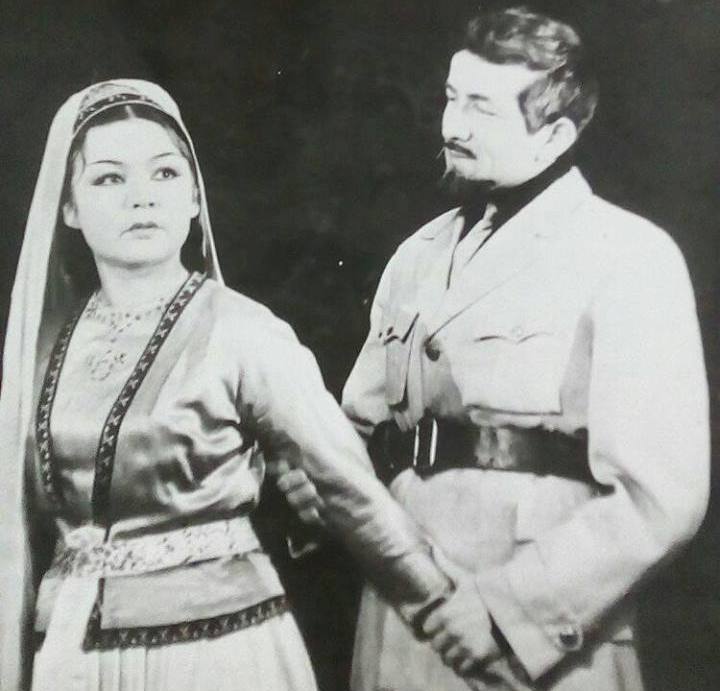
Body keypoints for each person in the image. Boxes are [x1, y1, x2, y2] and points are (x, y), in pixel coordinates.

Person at [279, 6, 710, 690]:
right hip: (402, 615)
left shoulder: (628, 255)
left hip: (537, 639)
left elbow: (660, 496)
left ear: (557, 134)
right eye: (453, 98)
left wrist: (509, 613)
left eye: (481, 108)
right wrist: (311, 492)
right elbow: (355, 432)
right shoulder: (417, 256)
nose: (452, 126)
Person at [0, 79, 463, 691]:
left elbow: (350, 491)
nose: (142, 197)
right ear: (68, 209)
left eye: (165, 173)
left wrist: (448, 613)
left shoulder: (242, 331)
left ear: (194, 196)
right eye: (109, 179)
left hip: (214, 653)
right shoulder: (40, 347)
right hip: (70, 659)